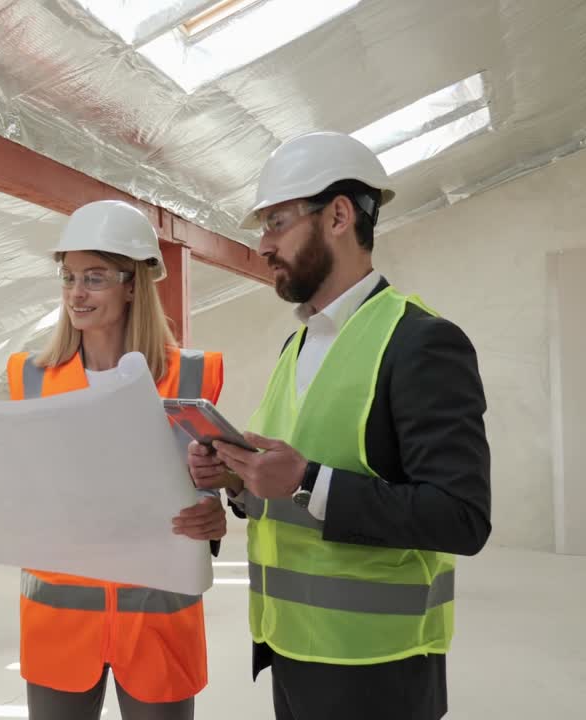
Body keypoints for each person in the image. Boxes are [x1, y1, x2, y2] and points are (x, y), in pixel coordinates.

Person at [188, 131, 492, 720]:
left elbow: (462, 517)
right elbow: (285, 486)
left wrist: (307, 480)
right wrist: (238, 480)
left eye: (276, 222)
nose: (263, 244)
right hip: (290, 646)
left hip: (379, 668)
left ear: (338, 215)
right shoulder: (297, 343)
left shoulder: (422, 343)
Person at [4, 200, 228, 720]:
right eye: (69, 278)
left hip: (158, 624)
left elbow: (209, 482)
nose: (76, 294)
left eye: (95, 277)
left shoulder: (191, 377)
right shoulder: (30, 378)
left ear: (133, 283)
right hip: (59, 626)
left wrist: (212, 512)